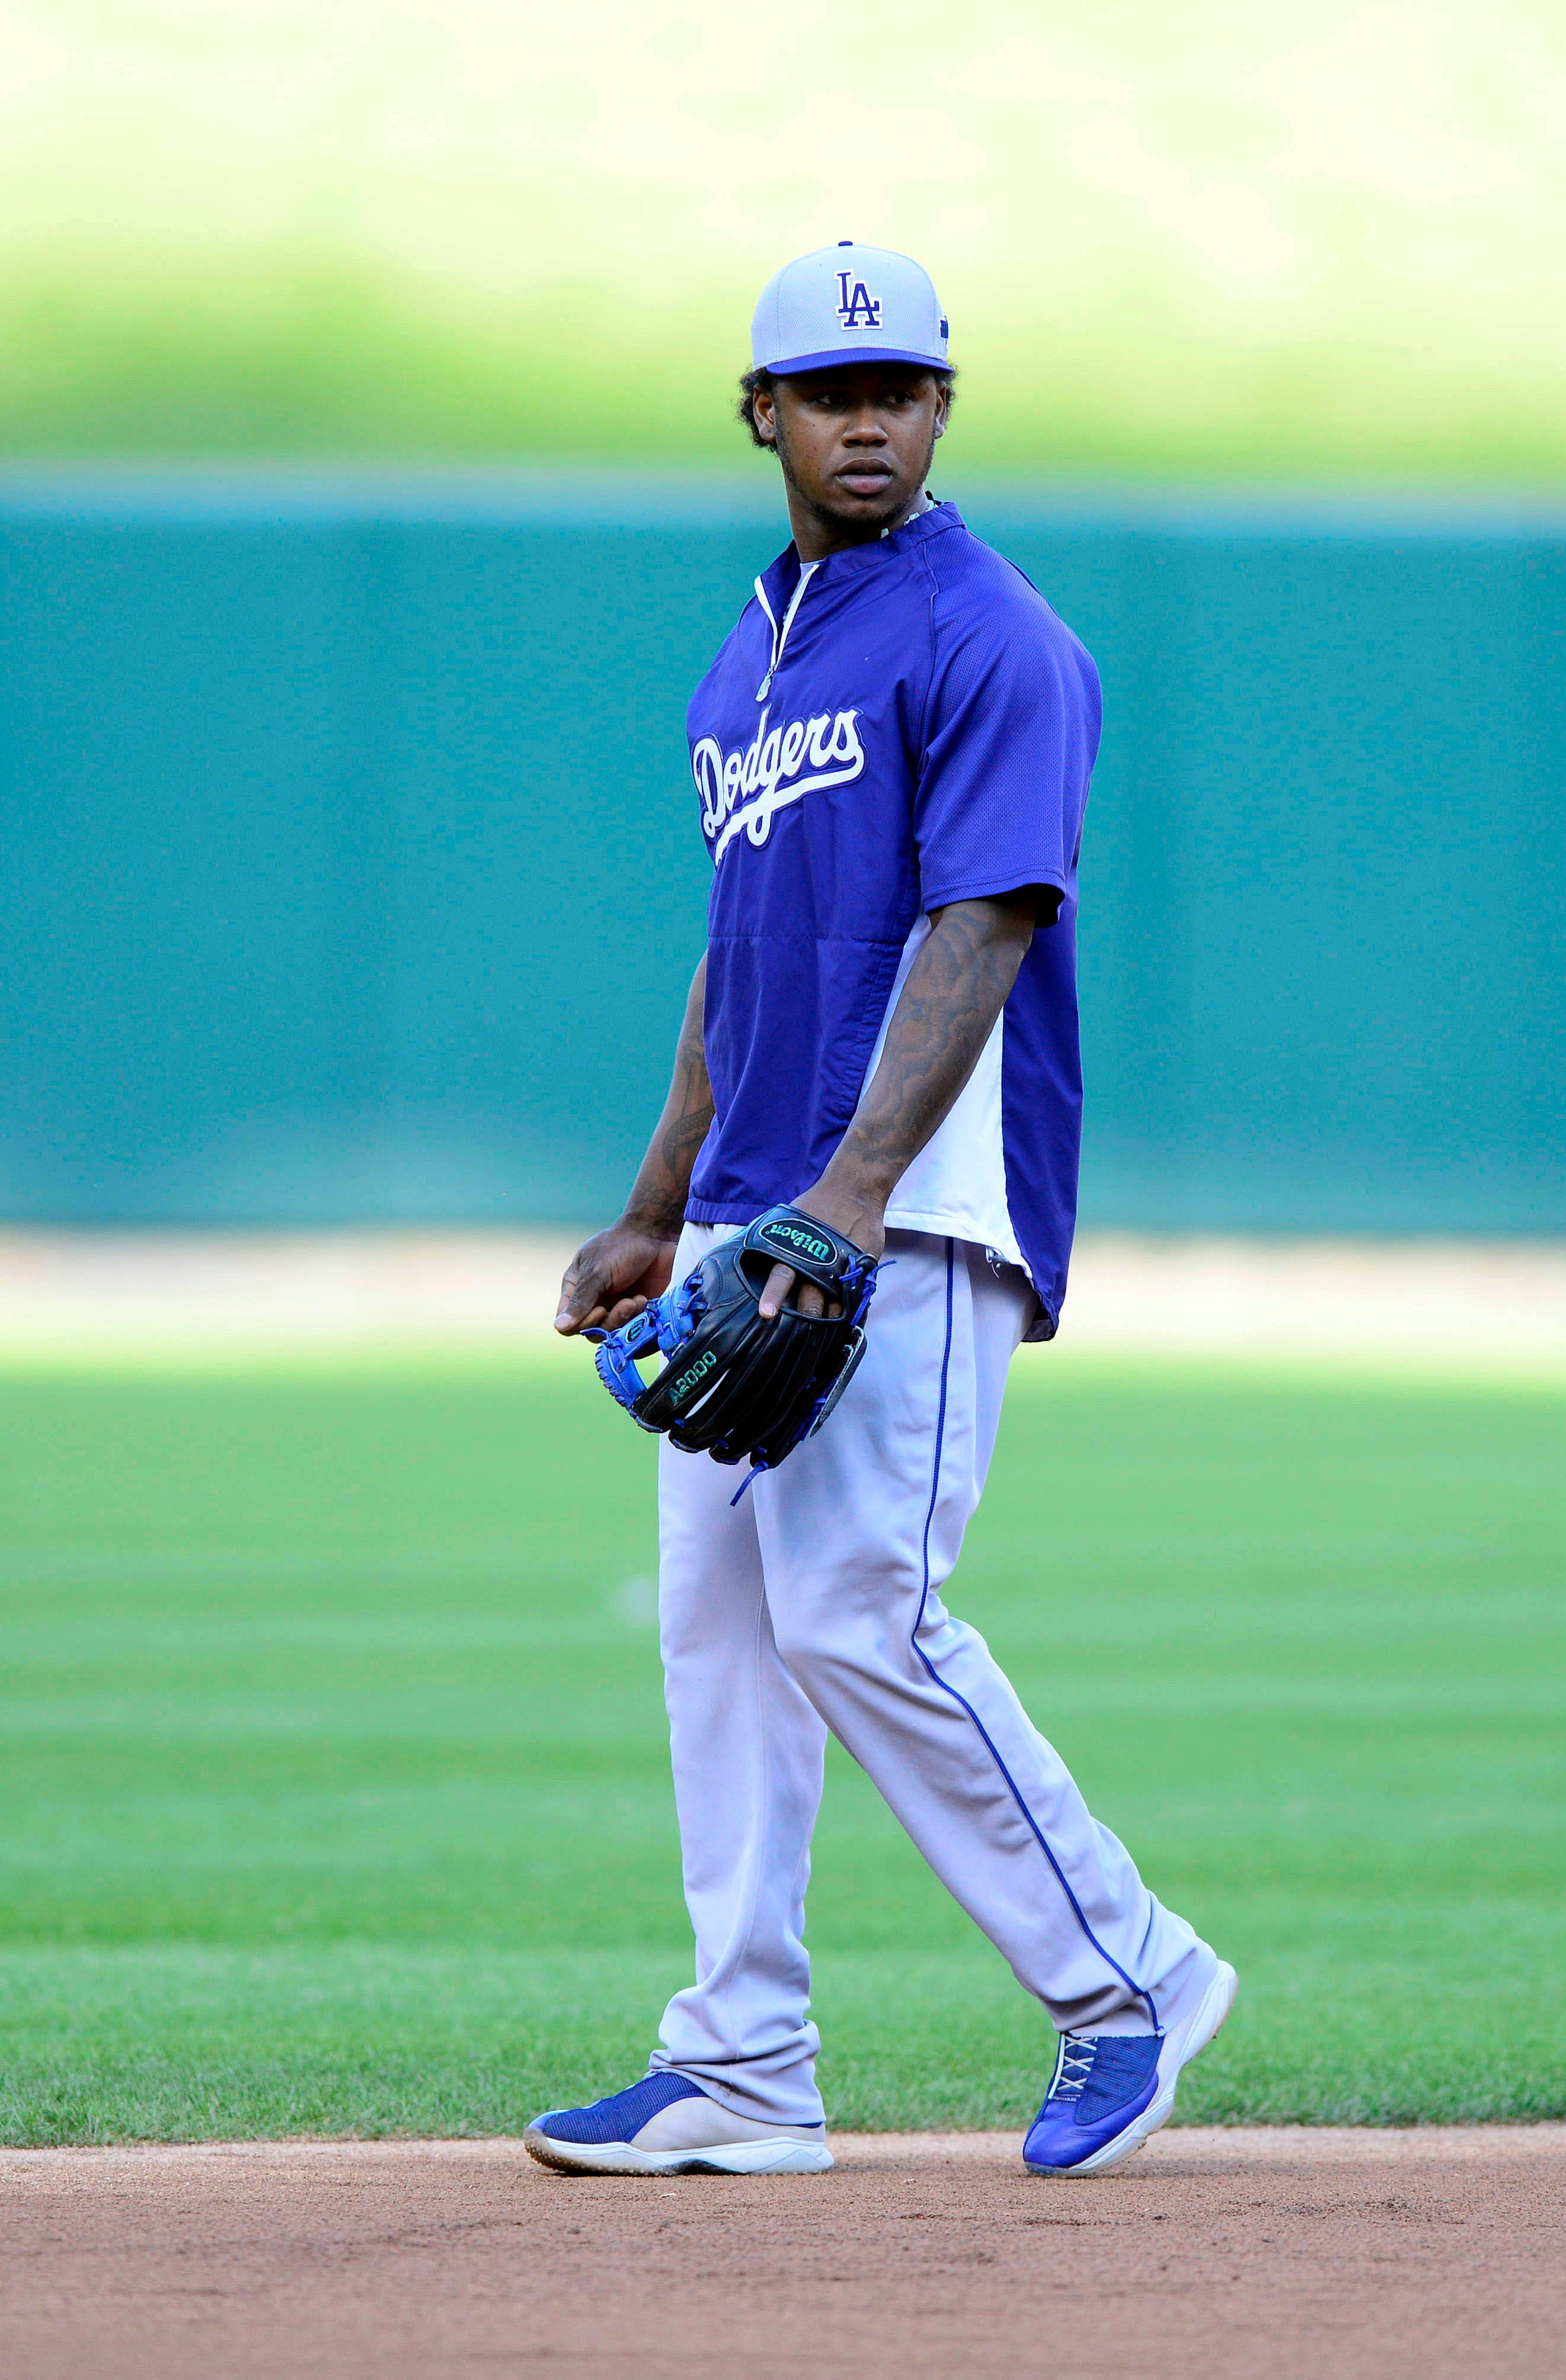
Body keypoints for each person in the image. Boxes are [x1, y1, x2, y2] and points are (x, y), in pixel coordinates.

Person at [526, 242, 1235, 2180]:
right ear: (759, 412)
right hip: (763, 1219)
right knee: (722, 1635)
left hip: (906, 1210)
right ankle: (744, 2062)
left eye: (903, 387)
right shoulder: (749, 652)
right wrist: (661, 1206)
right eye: (831, 389)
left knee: (861, 1611)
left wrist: (842, 1201)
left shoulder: (997, 635)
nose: (869, 417)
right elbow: (737, 952)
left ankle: (1133, 1983)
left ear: (943, 406)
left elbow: (989, 915)